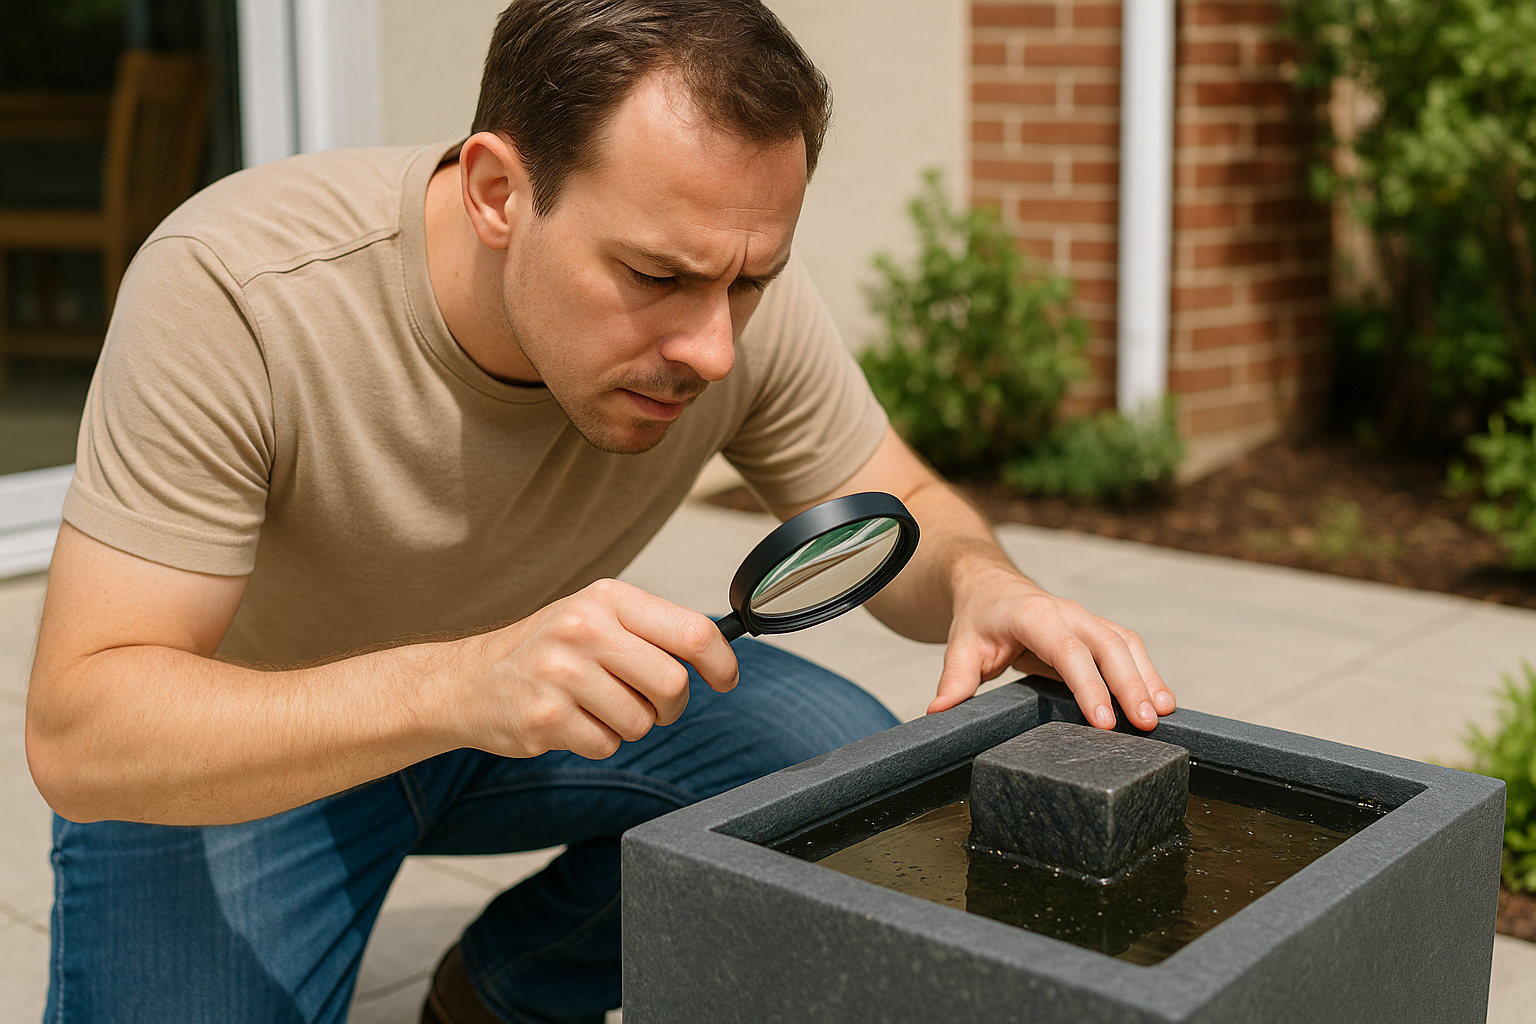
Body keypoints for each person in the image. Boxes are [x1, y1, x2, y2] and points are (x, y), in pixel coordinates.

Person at [24, 1, 1176, 1021]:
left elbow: (905, 500)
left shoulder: (723, 286)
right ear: (496, 193)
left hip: (519, 714)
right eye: (654, 277)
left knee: (832, 772)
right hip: (250, 746)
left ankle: (509, 992)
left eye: (750, 280)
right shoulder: (238, 290)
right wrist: (457, 683)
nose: (712, 346)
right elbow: (82, 728)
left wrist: (985, 580)